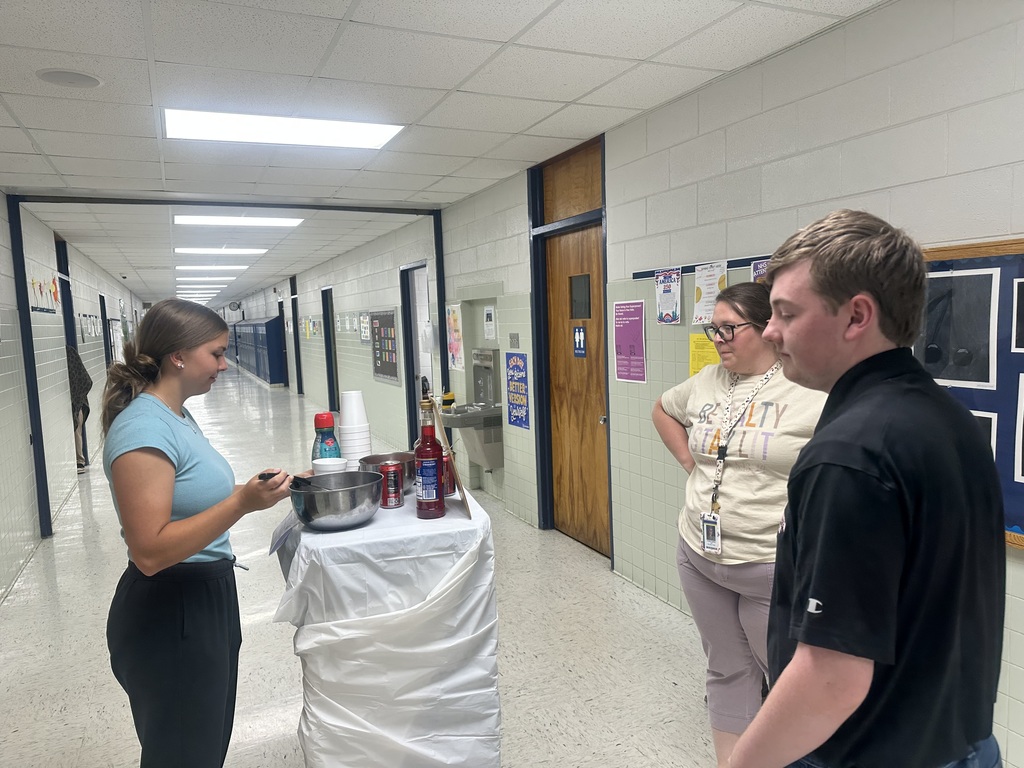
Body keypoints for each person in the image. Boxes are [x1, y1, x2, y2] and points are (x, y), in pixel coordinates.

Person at [729, 210, 1005, 768]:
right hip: (961, 742)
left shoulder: (850, 456)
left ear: (856, 315)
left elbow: (831, 677)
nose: (771, 332)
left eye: (786, 313)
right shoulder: (948, 420)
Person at [101, 298, 294, 768]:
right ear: (179, 357)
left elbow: (191, 499)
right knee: (184, 753)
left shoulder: (178, 416)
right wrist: (240, 503)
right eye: (217, 353)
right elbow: (149, 550)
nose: (225, 365)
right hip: (171, 611)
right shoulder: (143, 429)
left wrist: (265, 490)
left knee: (203, 745)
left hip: (204, 597)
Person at [652, 282, 826, 768]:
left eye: (730, 329)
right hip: (699, 556)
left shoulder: (810, 389)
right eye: (715, 329)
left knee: (789, 679)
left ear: (769, 329)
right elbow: (663, 409)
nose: (719, 340)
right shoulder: (707, 381)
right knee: (726, 671)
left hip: (769, 565)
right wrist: (691, 463)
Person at [66, 343, 93, 473]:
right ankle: (78, 461)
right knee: (77, 429)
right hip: (76, 400)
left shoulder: (69, 354)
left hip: (77, 402)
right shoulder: (69, 353)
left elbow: (85, 380)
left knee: (77, 428)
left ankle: (79, 461)